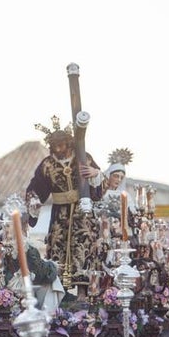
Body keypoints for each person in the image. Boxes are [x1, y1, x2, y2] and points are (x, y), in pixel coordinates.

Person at [23, 116, 104, 286]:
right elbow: (36, 187)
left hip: (82, 212)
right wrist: (34, 201)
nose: (58, 149)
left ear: (69, 144)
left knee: (84, 245)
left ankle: (84, 290)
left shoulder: (83, 158)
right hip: (59, 214)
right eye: (54, 146)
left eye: (61, 145)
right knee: (57, 245)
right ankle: (60, 289)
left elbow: (98, 188)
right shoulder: (47, 165)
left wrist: (95, 174)